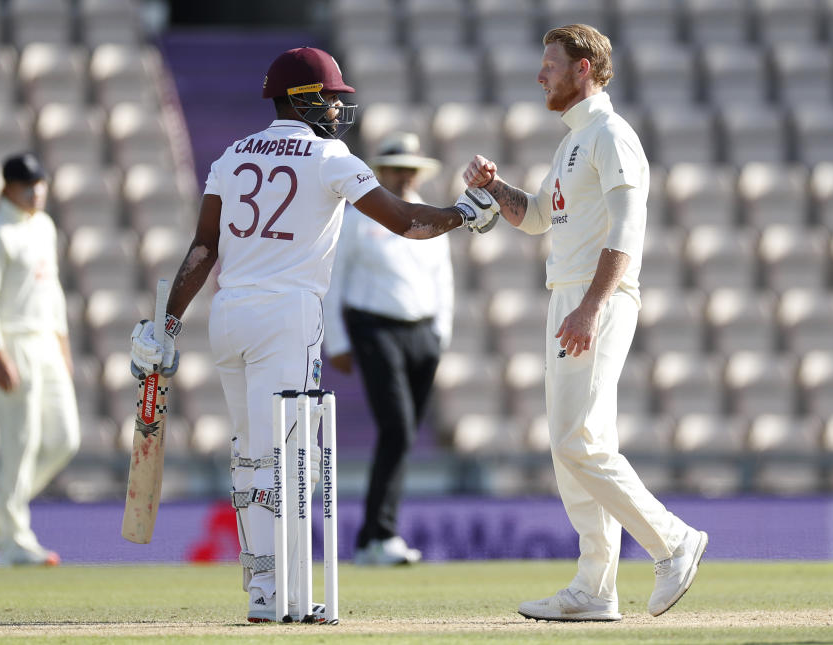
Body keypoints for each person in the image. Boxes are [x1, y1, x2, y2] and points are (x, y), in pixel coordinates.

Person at [128, 46, 496, 623]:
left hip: (229, 314)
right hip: (288, 316)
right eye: (330, 96)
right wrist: (464, 212)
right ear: (302, 98)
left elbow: (204, 248)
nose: (336, 107)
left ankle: (262, 594)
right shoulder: (329, 156)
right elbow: (405, 221)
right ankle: (291, 597)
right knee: (289, 459)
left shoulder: (232, 155)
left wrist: (164, 325)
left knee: (250, 458)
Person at [461, 24, 707, 621]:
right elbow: (542, 217)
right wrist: (494, 189)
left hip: (600, 297)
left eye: (551, 63)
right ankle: (595, 587)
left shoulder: (612, 136)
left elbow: (627, 230)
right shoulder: (574, 140)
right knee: (570, 445)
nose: (540, 73)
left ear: (583, 70)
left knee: (578, 440)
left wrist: (591, 306)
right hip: (568, 295)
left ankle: (673, 541)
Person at [323, 132, 453, 566]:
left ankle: (373, 538)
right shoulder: (358, 215)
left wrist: (439, 335)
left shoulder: (432, 218)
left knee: (402, 436)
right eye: (396, 167)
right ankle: (379, 535)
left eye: (409, 168)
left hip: (422, 333)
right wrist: (337, 341)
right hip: (373, 328)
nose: (403, 175)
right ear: (380, 171)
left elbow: (444, 282)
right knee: (397, 429)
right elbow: (335, 277)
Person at [0, 152, 80, 566]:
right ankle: (15, 540)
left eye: (40, 184)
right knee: (21, 443)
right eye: (26, 186)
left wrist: (63, 344)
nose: (36, 192)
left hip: (47, 344)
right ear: (7, 190)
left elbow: (52, 291)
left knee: (65, 439)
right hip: (13, 344)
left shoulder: (45, 227)